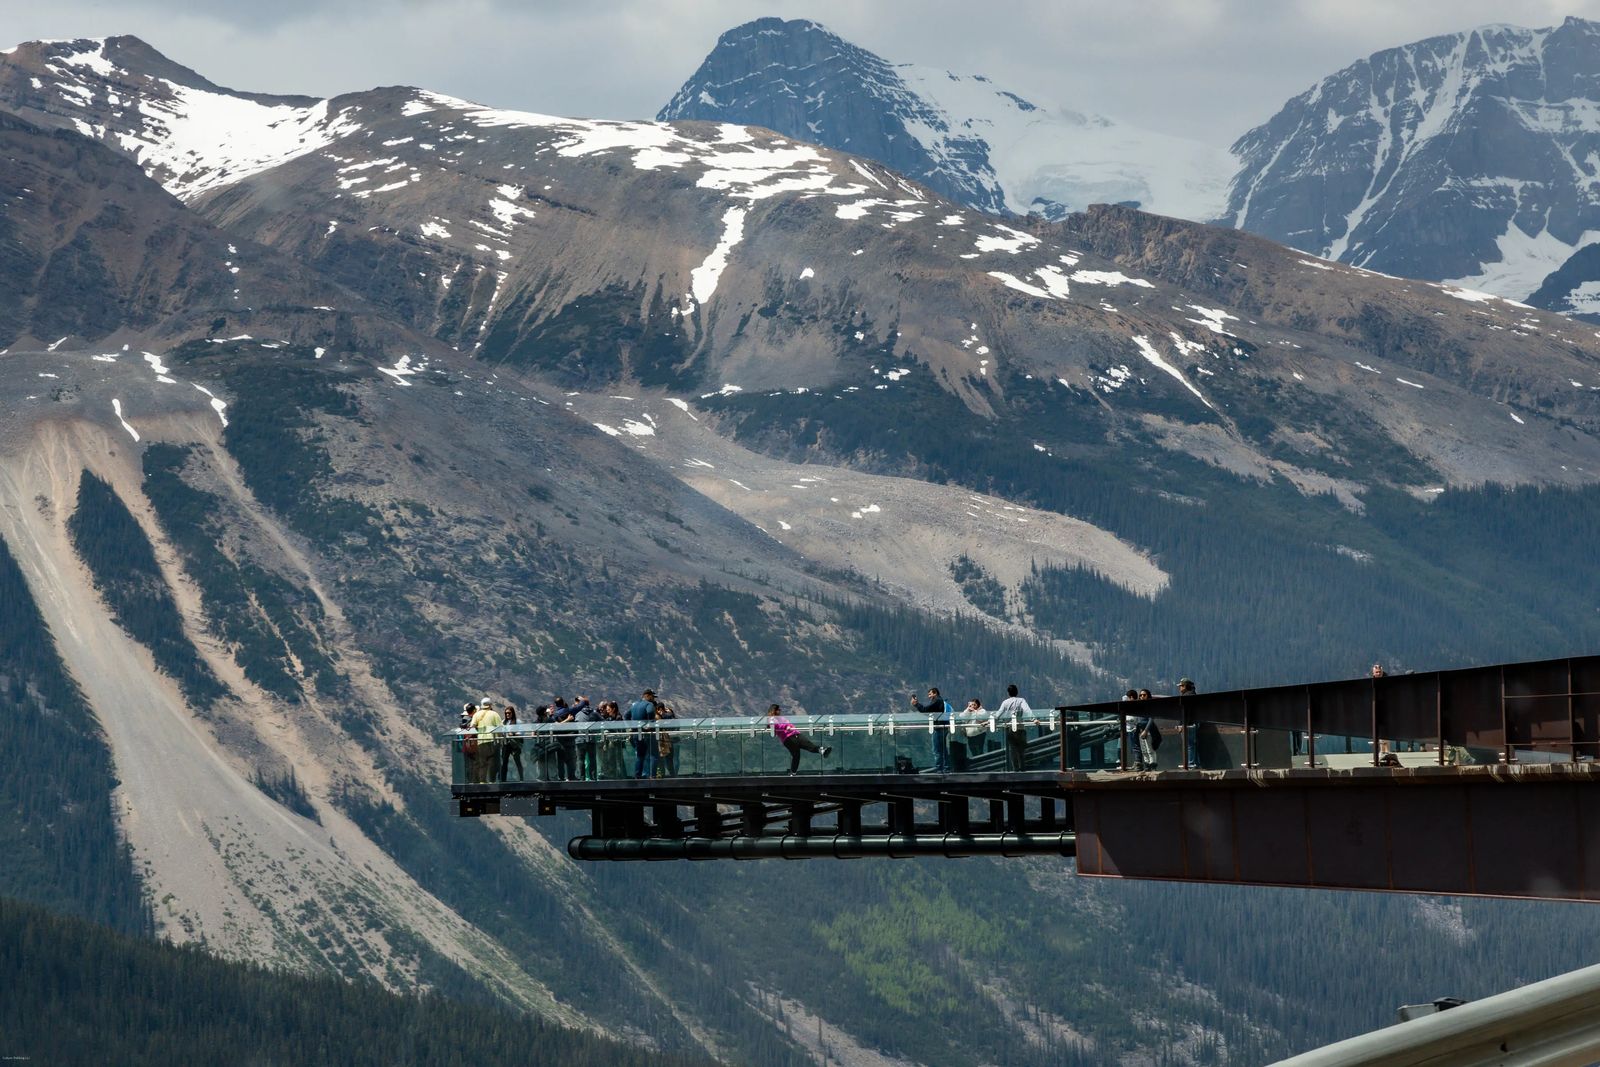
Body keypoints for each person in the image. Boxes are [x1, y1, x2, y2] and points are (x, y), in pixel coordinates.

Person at [768, 704, 832, 774]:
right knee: (796, 755)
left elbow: (788, 723)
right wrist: (786, 726)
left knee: (809, 745)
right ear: (774, 710)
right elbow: (777, 726)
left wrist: (788, 726)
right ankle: (793, 772)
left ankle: (822, 751)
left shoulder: (782, 718)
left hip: (795, 733)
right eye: (778, 710)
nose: (780, 711)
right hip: (787, 738)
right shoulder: (771, 719)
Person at [911, 687, 952, 773]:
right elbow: (928, 712)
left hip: (939, 728)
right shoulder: (940, 701)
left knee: (937, 750)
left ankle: (939, 769)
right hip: (942, 727)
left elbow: (925, 710)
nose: (929, 696)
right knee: (943, 749)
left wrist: (916, 704)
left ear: (935, 693)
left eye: (930, 694)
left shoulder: (937, 701)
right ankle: (946, 767)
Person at [997, 684, 1033, 771]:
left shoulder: (1005, 702)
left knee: (1012, 750)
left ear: (1008, 693)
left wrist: (989, 721)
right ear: (1017, 692)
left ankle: (1015, 769)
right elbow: (1027, 710)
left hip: (1010, 728)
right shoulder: (1021, 700)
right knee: (1021, 750)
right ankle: (1023, 768)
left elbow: (998, 714)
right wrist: (1033, 719)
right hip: (1020, 727)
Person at [470, 698, 503, 784]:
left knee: (482, 762)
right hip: (493, 740)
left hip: (481, 741)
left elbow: (472, 726)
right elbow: (500, 728)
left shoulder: (476, 715)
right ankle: (492, 780)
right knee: (492, 761)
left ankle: (482, 781)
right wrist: (501, 740)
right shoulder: (495, 714)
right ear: (490, 705)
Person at [628, 689, 659, 779]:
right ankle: (652, 776)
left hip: (636, 733)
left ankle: (637, 776)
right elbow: (649, 711)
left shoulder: (634, 704)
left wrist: (631, 726)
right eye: (652, 697)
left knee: (640, 755)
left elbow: (626, 715)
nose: (653, 699)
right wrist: (650, 722)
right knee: (654, 754)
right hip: (647, 734)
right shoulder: (649, 704)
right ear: (648, 696)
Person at [572, 697, 601, 781]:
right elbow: (603, 722)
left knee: (580, 759)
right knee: (592, 759)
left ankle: (582, 778)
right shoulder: (594, 713)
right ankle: (593, 777)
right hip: (591, 739)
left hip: (580, 739)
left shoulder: (577, 713)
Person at [549, 699, 577, 781]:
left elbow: (555, 725)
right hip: (570, 738)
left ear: (556, 705)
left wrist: (551, 715)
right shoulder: (569, 710)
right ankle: (571, 776)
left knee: (560, 760)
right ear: (563, 702)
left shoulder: (555, 715)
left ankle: (561, 777)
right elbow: (581, 704)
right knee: (571, 759)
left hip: (560, 739)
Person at [599, 701, 628, 779]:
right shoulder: (609, 718)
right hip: (612, 742)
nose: (607, 711)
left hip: (617, 742)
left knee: (618, 759)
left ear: (613, 709)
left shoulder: (618, 718)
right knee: (615, 759)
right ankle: (617, 775)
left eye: (608, 709)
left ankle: (620, 775)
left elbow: (619, 731)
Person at [1176, 678, 1200, 767]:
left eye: (1181, 686)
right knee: (1193, 744)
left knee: (1189, 745)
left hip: (1189, 724)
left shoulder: (1187, 696)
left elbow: (1186, 713)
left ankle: (1190, 763)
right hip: (1193, 723)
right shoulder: (1193, 694)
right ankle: (1196, 763)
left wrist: (1183, 724)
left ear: (1186, 686)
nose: (1180, 688)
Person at [500, 704, 525, 783]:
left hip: (515, 744)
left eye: (509, 713)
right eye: (506, 713)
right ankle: (503, 779)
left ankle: (521, 778)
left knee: (517, 761)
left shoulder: (518, 722)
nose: (507, 714)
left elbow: (521, 732)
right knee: (504, 762)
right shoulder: (503, 722)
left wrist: (513, 733)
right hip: (506, 744)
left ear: (512, 713)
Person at [654, 701, 680, 778]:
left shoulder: (663, 717)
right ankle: (673, 775)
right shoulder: (672, 718)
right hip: (672, 741)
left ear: (659, 709)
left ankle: (665, 775)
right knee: (672, 759)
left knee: (666, 759)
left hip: (666, 741)